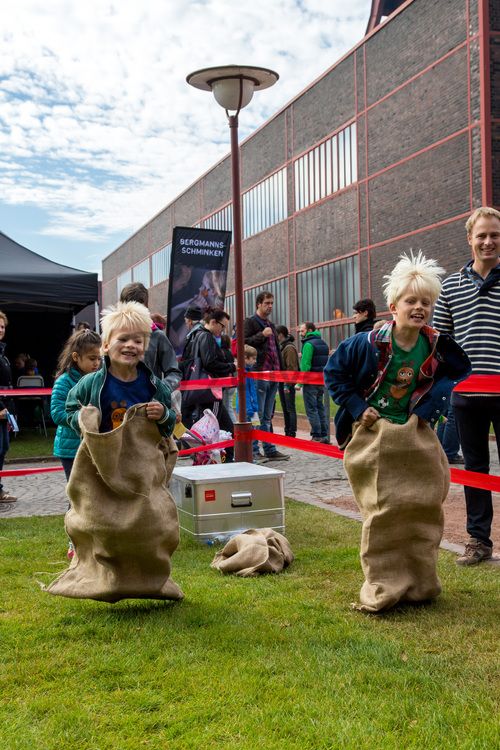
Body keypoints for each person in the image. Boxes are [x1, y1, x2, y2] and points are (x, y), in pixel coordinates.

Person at [325, 251, 471, 612]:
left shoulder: (437, 346)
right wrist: (359, 409)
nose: (419, 307)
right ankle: (382, 585)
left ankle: (421, 582)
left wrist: (428, 408)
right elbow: (334, 374)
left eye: (426, 302)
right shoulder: (366, 343)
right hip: (373, 434)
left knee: (422, 503)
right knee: (382, 508)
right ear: (393, 305)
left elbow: (453, 375)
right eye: (411, 301)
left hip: (413, 434)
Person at [433, 206, 500, 565]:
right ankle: (479, 540)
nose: (489, 241)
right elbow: (442, 344)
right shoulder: (450, 287)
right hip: (466, 397)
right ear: (470, 239)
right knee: (474, 470)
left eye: (495, 235)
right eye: (482, 235)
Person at [66, 301, 175, 438]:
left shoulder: (155, 385)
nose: (130, 345)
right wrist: (83, 419)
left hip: (143, 457)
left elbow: (170, 424)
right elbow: (70, 410)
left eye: (138, 341)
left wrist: (164, 415)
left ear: (144, 349)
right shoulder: (90, 383)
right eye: (123, 339)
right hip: (104, 457)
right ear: (106, 346)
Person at [51, 329, 102, 558]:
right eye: (92, 358)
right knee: (78, 495)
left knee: (95, 495)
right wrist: (84, 420)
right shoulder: (64, 382)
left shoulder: (100, 378)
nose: (97, 363)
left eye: (99, 358)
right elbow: (57, 413)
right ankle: (74, 542)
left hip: (95, 447)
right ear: (75, 357)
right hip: (71, 449)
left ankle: (94, 540)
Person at [184, 308, 236, 462]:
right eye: (223, 325)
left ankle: (225, 459)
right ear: (213, 322)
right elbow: (210, 363)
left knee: (223, 427)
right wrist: (231, 367)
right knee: (211, 430)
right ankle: (215, 460)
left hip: (204, 390)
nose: (223, 330)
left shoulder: (196, 335)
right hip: (210, 390)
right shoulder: (206, 337)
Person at [244, 291, 289, 461]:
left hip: (273, 375)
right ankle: (255, 450)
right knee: (258, 413)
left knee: (268, 415)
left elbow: (277, 351)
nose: (270, 306)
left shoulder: (271, 324)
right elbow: (243, 342)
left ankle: (269, 448)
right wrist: (261, 335)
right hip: (259, 373)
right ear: (258, 304)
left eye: (272, 303)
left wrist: (282, 373)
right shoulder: (250, 322)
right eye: (267, 303)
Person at [119, 282, 181, 392]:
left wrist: (160, 391)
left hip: (148, 405)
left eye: (138, 310)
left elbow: (174, 372)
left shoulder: (157, 336)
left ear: (146, 307)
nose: (133, 314)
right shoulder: (110, 336)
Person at [299, 322, 329, 443]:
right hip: (321, 381)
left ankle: (316, 435)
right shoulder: (324, 343)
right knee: (320, 407)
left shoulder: (308, 344)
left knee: (311, 408)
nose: (301, 333)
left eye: (302, 331)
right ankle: (324, 434)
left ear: (309, 330)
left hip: (310, 381)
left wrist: (300, 383)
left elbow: (305, 365)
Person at [0, 311, 16, 503]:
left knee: (2, 448)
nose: (1, 329)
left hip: (5, 410)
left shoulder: (2, 352)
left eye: (3, 326)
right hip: (1, 409)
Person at [276, 325, 299, 439]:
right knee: (285, 408)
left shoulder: (288, 348)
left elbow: (291, 367)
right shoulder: (283, 347)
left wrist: (287, 384)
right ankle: (288, 431)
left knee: (290, 408)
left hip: (287, 383)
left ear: (280, 335)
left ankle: (291, 432)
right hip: (282, 381)